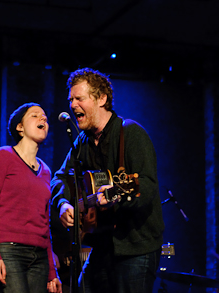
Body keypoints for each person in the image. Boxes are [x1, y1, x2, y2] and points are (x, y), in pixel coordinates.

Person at [50, 68, 165, 293]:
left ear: (101, 99)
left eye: (79, 98)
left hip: (135, 247)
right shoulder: (82, 143)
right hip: (103, 244)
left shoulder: (130, 133)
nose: (72, 105)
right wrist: (63, 203)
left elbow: (147, 184)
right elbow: (59, 178)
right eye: (70, 99)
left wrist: (114, 195)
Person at [0, 102, 62, 293]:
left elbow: (44, 223)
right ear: (19, 127)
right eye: (35, 115)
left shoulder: (46, 171)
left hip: (39, 257)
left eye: (45, 117)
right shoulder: (3, 156)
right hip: (9, 251)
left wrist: (52, 272)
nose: (43, 118)